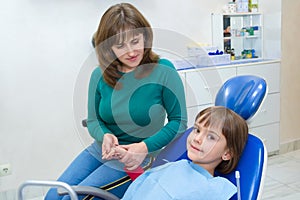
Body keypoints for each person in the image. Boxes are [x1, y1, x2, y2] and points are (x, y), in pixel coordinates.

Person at [45, 3, 187, 200]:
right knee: (53, 196)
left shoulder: (163, 70)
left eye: (135, 41)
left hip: (139, 156)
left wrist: (143, 147)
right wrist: (105, 136)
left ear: (145, 37)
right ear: (108, 47)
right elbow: (94, 120)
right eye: (120, 45)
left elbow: (178, 122)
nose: (131, 51)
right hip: (103, 151)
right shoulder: (100, 75)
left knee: (75, 198)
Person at [119, 106, 248, 200]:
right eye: (197, 130)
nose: (197, 139)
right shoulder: (174, 165)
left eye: (211, 137)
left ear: (227, 154)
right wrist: (132, 164)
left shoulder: (214, 188)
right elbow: (147, 187)